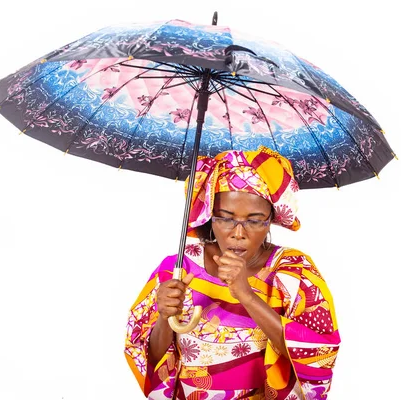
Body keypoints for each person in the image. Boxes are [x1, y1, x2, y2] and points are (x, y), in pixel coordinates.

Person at [124, 146, 341, 399]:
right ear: (209, 216)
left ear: (271, 219)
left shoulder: (293, 272)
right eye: (226, 218)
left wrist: (247, 295)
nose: (238, 233)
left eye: (254, 220)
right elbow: (152, 361)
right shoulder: (178, 268)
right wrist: (164, 317)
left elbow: (318, 356)